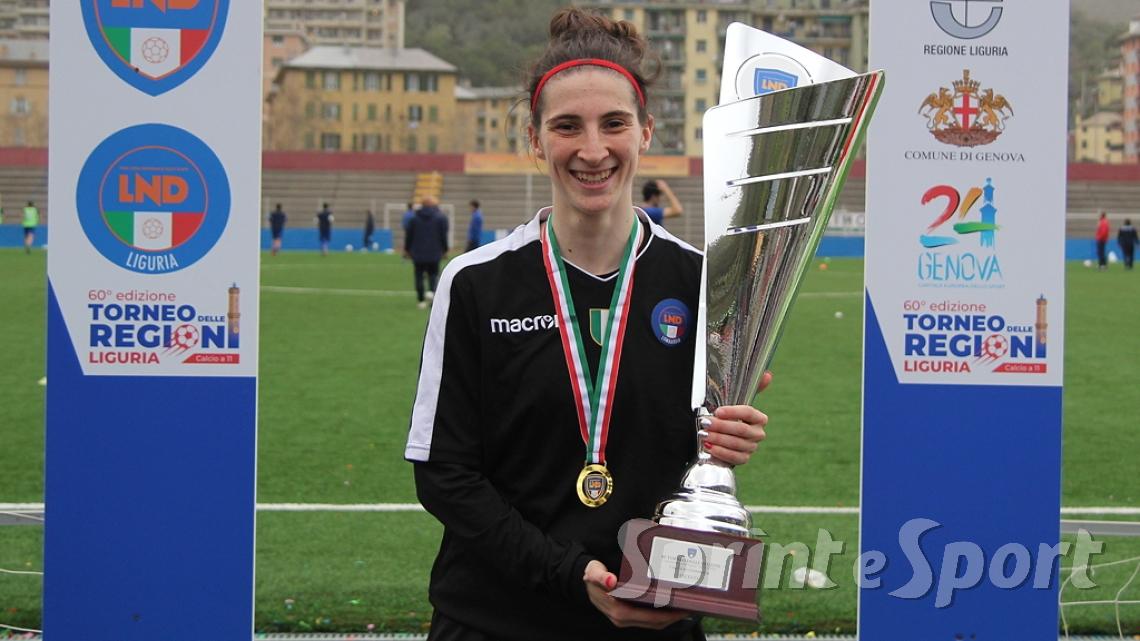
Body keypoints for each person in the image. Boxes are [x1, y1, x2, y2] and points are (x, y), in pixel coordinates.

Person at [404, 9, 770, 640]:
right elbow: (445, 475)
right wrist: (569, 575)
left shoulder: (706, 285)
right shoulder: (475, 283)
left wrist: (726, 437)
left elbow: (700, 453)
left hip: (652, 621)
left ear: (646, 132)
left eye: (614, 124)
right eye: (567, 126)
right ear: (535, 139)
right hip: (496, 619)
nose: (593, 150)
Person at [404, 195, 448, 309]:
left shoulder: (414, 218)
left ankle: (421, 300)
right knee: (433, 275)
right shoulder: (440, 218)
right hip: (434, 252)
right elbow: (443, 236)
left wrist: (407, 249)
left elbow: (409, 236)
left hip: (418, 252)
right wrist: (445, 249)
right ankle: (432, 295)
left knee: (419, 275)